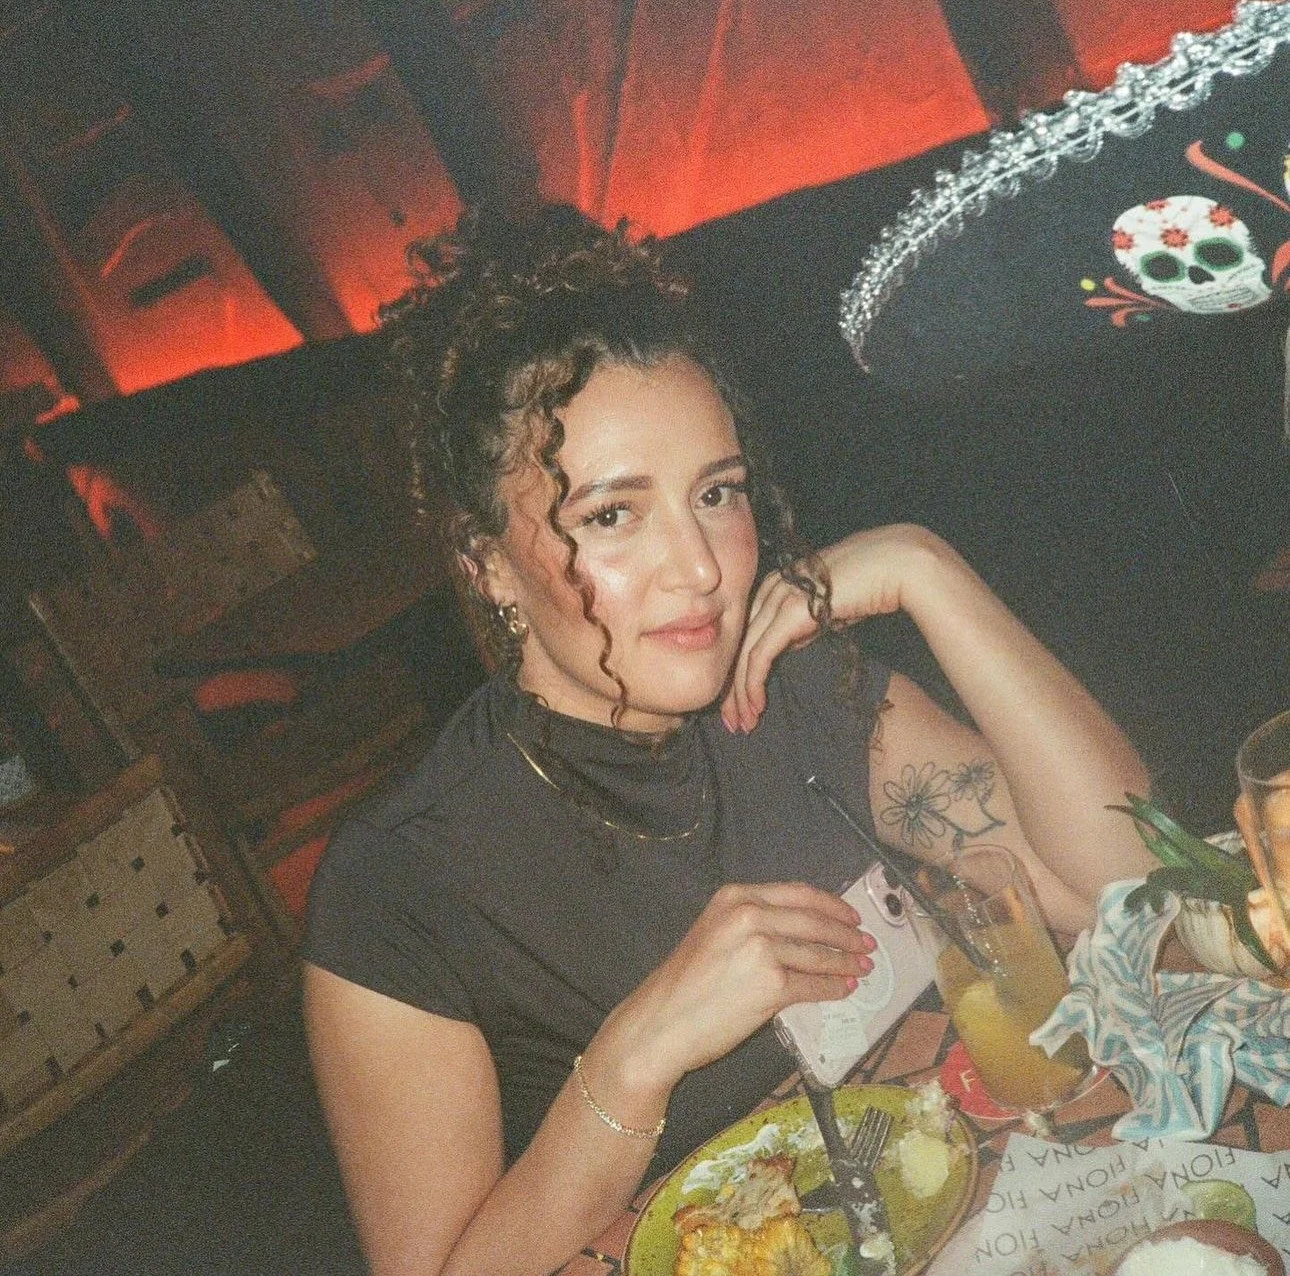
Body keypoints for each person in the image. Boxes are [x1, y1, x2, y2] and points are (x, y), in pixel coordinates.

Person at [301, 206, 1154, 1276]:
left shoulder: (797, 687)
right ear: (485, 564)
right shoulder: (403, 882)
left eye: (718, 494)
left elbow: (1127, 881)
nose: (700, 567)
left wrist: (929, 575)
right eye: (613, 515)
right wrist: (633, 1058)